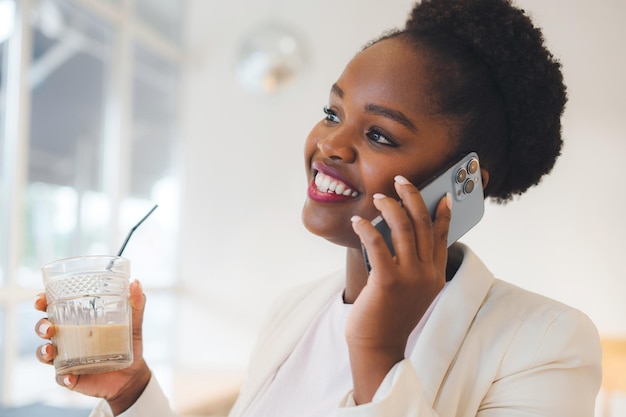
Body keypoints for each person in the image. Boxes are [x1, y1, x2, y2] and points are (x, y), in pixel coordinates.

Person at [34, 0, 602, 416]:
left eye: (379, 134)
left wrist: (378, 356)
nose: (329, 144)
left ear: (462, 183)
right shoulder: (294, 312)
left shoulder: (545, 344)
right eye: (333, 113)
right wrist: (130, 391)